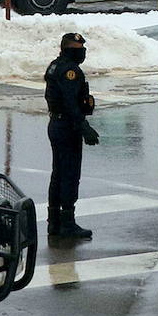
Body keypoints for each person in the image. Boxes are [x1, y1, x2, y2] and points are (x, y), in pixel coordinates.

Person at [44, 32, 99, 240]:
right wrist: (83, 127)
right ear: (69, 49)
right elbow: (70, 102)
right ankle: (67, 223)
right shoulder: (70, 71)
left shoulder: (55, 65)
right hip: (67, 126)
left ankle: (54, 222)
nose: (82, 52)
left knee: (58, 173)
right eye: (78, 49)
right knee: (69, 174)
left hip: (56, 124)